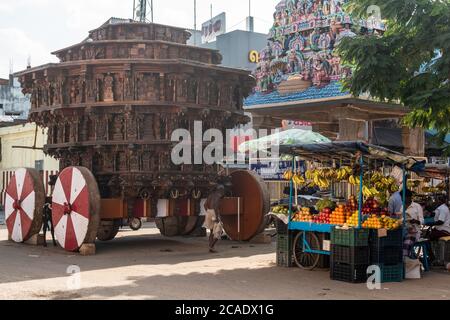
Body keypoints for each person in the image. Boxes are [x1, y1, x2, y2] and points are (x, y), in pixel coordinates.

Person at [402, 190, 424, 257]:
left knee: (407, 243)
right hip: (403, 231)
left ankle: (405, 260)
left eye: (404, 197)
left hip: (414, 233)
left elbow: (422, 220)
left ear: (409, 197)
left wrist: (415, 221)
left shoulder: (417, 206)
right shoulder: (401, 206)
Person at [204, 185, 226, 253]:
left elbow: (205, 204)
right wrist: (216, 216)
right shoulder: (218, 196)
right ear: (220, 190)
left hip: (209, 212)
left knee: (211, 231)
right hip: (214, 213)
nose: (223, 192)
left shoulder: (211, 195)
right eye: (222, 190)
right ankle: (211, 246)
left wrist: (208, 212)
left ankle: (211, 247)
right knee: (219, 231)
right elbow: (216, 207)